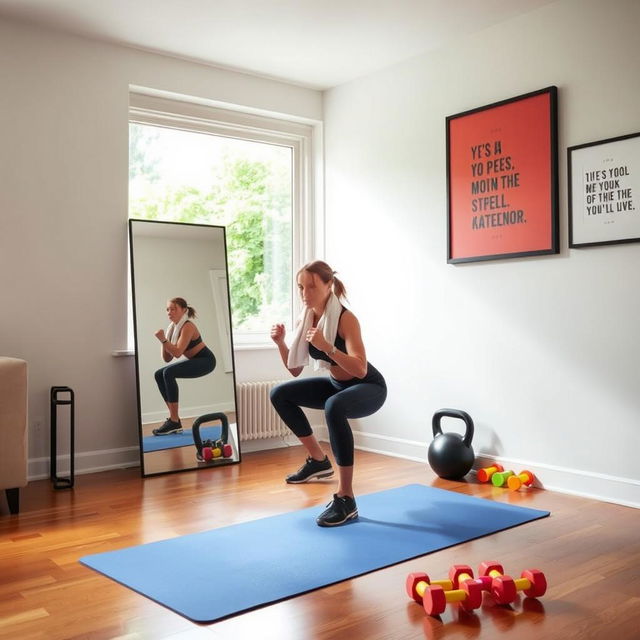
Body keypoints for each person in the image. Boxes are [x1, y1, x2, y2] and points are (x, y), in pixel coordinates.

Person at [270, 261, 387, 527]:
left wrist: (327, 347)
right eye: (301, 287)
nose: (304, 293)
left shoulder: (346, 318)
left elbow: (360, 368)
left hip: (369, 387)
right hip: (336, 385)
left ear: (328, 285)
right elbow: (295, 369)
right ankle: (318, 461)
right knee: (280, 394)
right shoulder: (308, 316)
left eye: (311, 286)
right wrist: (280, 343)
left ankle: (346, 498)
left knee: (334, 406)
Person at [152, 297, 216, 435]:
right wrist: (164, 340)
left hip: (206, 361)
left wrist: (163, 339)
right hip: (196, 360)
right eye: (168, 309)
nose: (169, 312)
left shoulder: (188, 326)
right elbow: (167, 358)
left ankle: (174, 421)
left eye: (173, 309)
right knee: (159, 374)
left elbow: (177, 353)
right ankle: (174, 420)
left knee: (168, 373)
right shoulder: (172, 329)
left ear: (184, 310)